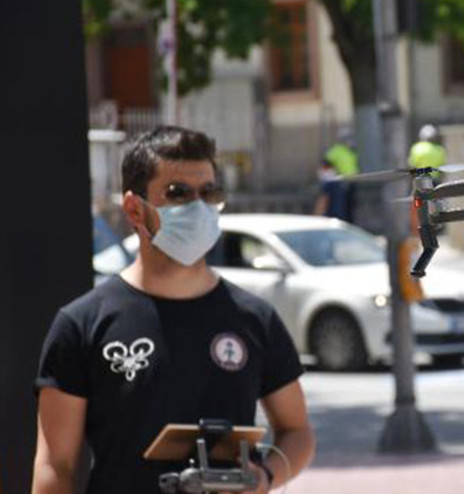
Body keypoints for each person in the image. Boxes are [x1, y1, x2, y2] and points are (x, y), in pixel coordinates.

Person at [32, 126, 315, 494]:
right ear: (135, 209)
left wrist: (266, 476)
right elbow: (56, 465)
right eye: (178, 194)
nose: (198, 207)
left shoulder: (254, 318)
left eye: (209, 192)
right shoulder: (83, 324)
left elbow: (298, 432)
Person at [323, 127, 359, 222]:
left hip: (352, 182)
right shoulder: (335, 151)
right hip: (339, 183)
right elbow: (326, 166)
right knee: (338, 207)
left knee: (349, 207)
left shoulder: (350, 151)